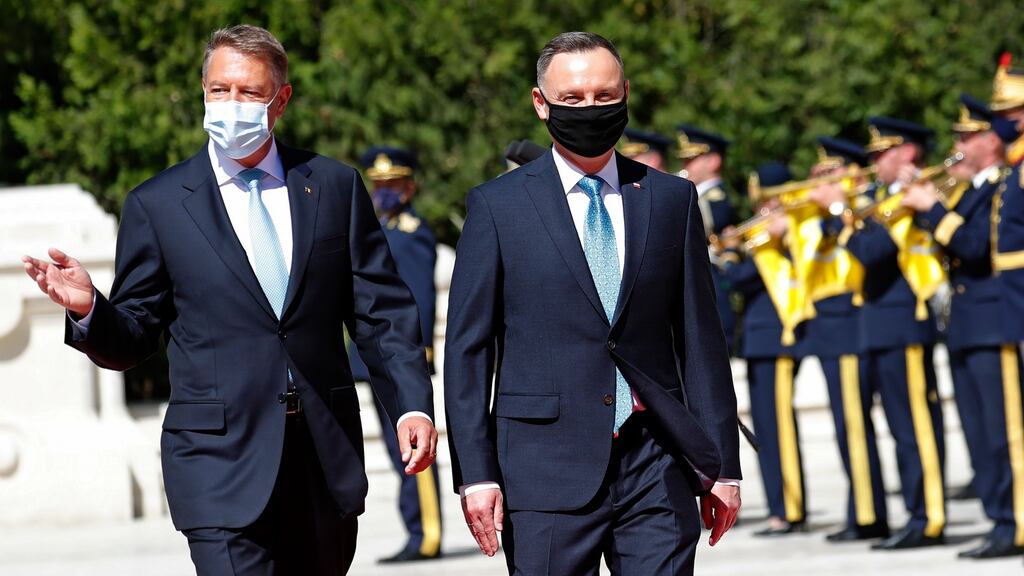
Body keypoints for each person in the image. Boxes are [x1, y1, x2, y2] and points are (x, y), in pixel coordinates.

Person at [20, 25, 437, 575]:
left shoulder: (333, 187)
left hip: (321, 460)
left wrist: (410, 402)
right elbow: (135, 334)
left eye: (248, 92)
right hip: (218, 467)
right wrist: (89, 308)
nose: (231, 104)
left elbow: (381, 314)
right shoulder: (160, 204)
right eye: (219, 90)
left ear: (280, 100)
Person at [444, 31, 741, 575]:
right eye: (574, 99)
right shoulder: (497, 207)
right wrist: (476, 474)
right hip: (543, 470)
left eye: (605, 97)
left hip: (657, 460)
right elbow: (468, 350)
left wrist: (722, 465)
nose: (590, 109)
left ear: (626, 93)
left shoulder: (671, 199)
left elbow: (701, 338)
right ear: (541, 104)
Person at [812, 116, 947, 550]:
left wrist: (837, 210)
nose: (875, 160)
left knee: (915, 431)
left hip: (903, 321)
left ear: (906, 152)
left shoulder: (909, 194)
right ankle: (914, 515)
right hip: (880, 322)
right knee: (900, 430)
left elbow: (875, 251)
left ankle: (927, 517)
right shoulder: (885, 197)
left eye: (882, 152)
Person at [901, 93, 1024, 559]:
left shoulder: (1004, 185)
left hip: (994, 321)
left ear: (991, 141)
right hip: (966, 324)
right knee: (977, 431)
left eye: (967, 136)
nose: (959, 144)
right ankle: (999, 520)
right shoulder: (970, 190)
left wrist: (932, 209)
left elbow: (976, 247)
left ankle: (1015, 522)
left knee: (1004, 432)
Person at [345, 146, 443, 563]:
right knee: (395, 447)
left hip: (400, 360)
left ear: (409, 187)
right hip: (372, 360)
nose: (384, 192)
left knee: (412, 446)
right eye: (378, 185)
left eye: (392, 185)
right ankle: (415, 528)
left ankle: (427, 532)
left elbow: (417, 298)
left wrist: (416, 354)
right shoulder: (378, 229)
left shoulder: (412, 232)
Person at [805, 137, 890, 543]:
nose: (822, 181)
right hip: (828, 326)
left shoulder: (862, 207)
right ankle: (860, 509)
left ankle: (869, 513)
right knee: (845, 426)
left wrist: (839, 208)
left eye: (831, 172)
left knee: (855, 425)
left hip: (850, 321)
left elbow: (863, 256)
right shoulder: (822, 214)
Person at [718, 163, 808, 536]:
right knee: (768, 429)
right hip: (758, 339)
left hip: (778, 338)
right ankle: (781, 506)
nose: (763, 209)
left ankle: (788, 509)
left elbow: (737, 278)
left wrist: (732, 254)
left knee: (778, 428)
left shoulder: (790, 234)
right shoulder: (768, 238)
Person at [676, 124, 740, 352]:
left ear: (713, 161)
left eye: (692, 159)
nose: (685, 165)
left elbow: (701, 227)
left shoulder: (716, 197)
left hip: (711, 288)